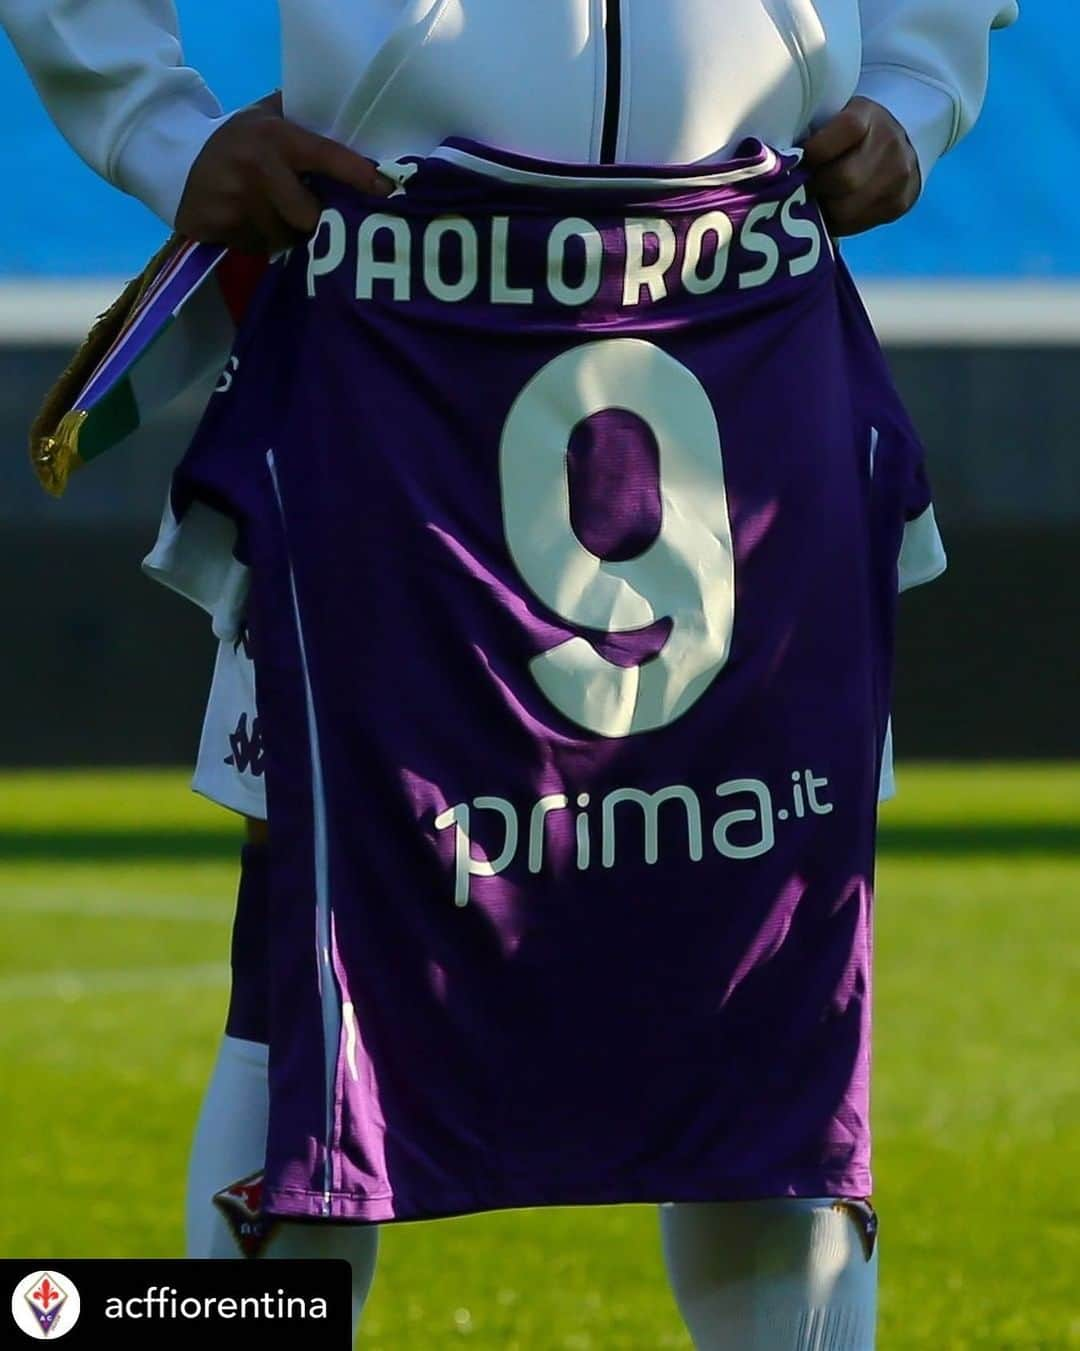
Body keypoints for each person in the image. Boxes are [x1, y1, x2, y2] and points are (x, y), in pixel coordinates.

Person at [2, 4, 1016, 1347]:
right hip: (391, 359)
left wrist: (917, 84)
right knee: (313, 1007)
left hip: (746, 340)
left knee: (766, 1020)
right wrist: (151, 123)